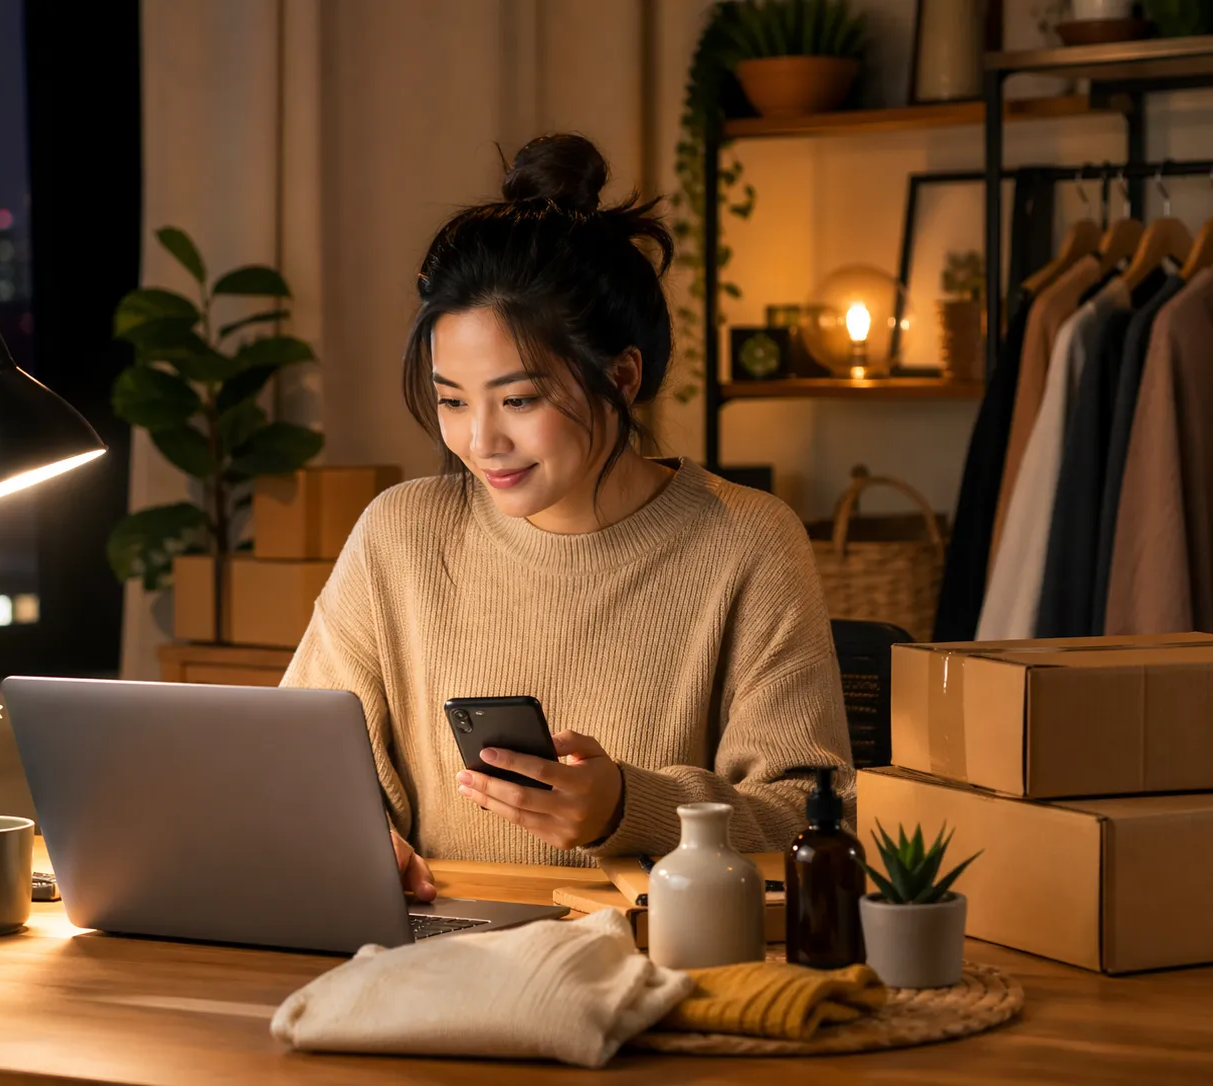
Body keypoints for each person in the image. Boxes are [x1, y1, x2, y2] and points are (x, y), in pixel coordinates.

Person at [281, 133, 853, 901]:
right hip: (428, 951)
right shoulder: (400, 534)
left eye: (518, 400)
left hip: (653, 959)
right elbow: (298, 767)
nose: (480, 442)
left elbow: (812, 818)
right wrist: (354, 839)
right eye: (452, 400)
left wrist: (629, 806)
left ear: (621, 374)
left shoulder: (747, 540)